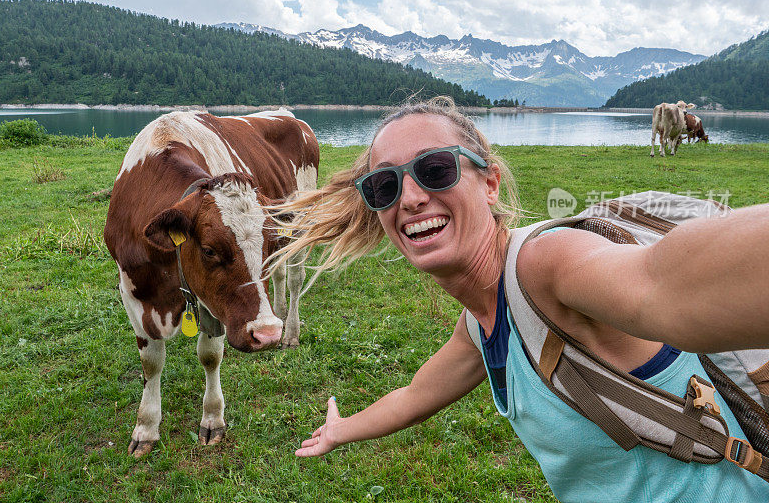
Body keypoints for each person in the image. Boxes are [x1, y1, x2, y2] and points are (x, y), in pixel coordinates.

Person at [270, 96, 769, 502]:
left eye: (436, 169)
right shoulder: (481, 321)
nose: (411, 198)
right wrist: (340, 430)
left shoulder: (545, 267)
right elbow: (415, 397)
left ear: (488, 183)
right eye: (385, 184)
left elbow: (660, 285)